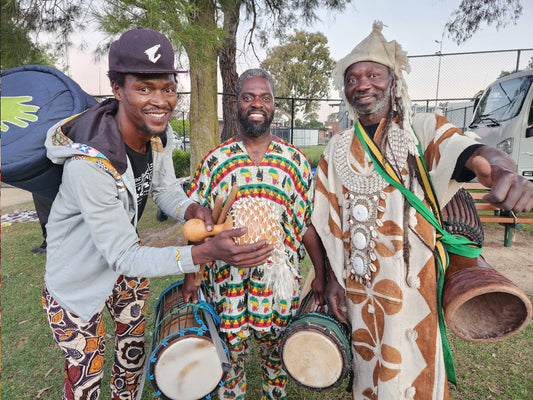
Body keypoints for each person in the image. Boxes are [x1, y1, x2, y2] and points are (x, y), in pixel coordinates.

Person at [41, 28, 273, 400]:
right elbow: (122, 254)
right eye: (144, 88)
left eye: (167, 88)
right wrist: (203, 254)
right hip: (78, 284)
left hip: (124, 276)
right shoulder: (89, 164)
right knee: (87, 381)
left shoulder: (156, 136)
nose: (161, 100)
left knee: (131, 361)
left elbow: (165, 190)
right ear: (117, 88)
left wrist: (192, 208)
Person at [311, 21, 533, 400]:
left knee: (415, 369)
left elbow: (468, 151)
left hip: (414, 287)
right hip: (358, 289)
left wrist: (498, 167)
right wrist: (330, 279)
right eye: (352, 78)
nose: (362, 84)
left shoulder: (421, 128)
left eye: (373, 74)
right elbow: (326, 222)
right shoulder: (336, 148)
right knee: (368, 371)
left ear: (393, 81)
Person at [185, 68, 326, 400]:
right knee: (229, 355)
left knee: (275, 354)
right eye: (248, 97)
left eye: (264, 97)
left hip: (278, 282)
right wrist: (191, 276)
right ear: (236, 104)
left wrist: (321, 274)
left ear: (275, 105)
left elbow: (306, 224)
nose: (256, 104)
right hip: (226, 279)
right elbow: (198, 223)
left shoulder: (296, 162)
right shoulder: (216, 161)